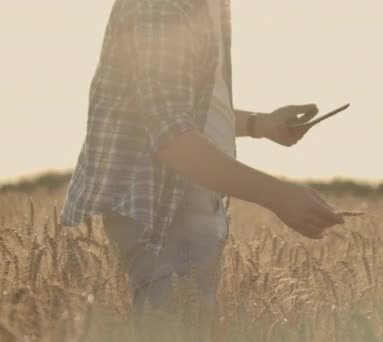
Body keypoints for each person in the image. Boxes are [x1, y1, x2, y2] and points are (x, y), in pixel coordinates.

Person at [59, 0, 344, 315]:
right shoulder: (161, 6)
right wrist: (279, 196)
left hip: (192, 203)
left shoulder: (211, 6)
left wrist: (260, 124)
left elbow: (184, 111)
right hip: (165, 209)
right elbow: (172, 138)